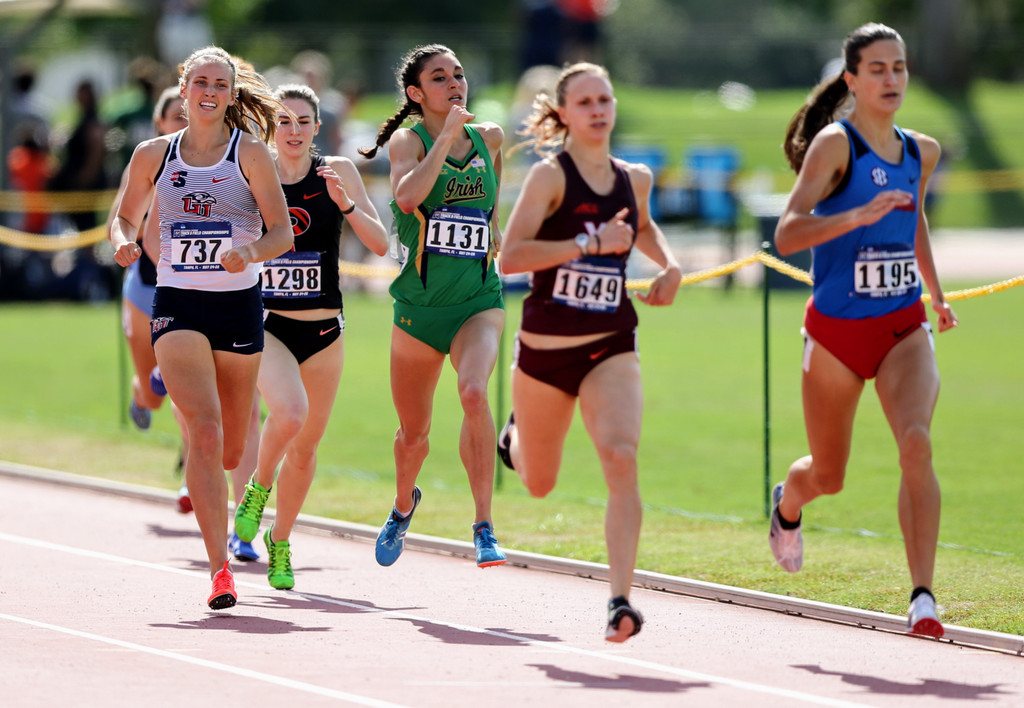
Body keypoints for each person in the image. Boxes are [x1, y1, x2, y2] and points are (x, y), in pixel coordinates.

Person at [768, 23, 958, 638]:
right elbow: (789, 234)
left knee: (917, 443)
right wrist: (855, 214)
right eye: (877, 69)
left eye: (899, 67)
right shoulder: (834, 145)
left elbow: (916, 221)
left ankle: (923, 597)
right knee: (829, 474)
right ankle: (788, 503)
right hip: (834, 335)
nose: (891, 79)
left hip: (903, 325)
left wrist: (935, 291)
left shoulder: (920, 150)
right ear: (851, 79)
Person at [497, 62, 682, 642]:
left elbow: (644, 227)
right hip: (546, 355)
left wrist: (670, 265)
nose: (599, 110)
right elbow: (510, 256)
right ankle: (515, 438)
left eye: (606, 99)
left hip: (609, 344)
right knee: (539, 483)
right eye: (586, 102)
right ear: (564, 113)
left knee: (621, 457)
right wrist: (587, 242)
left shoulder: (636, 177)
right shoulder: (550, 178)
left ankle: (620, 602)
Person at [110, 46, 293, 610]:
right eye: (201, 82)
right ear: (184, 89)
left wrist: (249, 251)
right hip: (178, 303)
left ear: (232, 95)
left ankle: (241, 499)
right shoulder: (153, 154)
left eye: (221, 84)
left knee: (235, 446)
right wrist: (123, 241)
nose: (210, 92)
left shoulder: (251, 155)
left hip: (237, 306)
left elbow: (282, 234)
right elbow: (123, 215)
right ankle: (220, 570)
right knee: (205, 432)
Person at [231, 83, 388, 590]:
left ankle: (281, 541)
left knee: (305, 448)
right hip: (268, 322)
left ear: (318, 127)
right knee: (290, 413)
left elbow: (381, 244)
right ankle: (257, 488)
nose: (294, 131)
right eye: (284, 122)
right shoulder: (255, 171)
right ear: (270, 128)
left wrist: (346, 205)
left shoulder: (337, 171)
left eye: (303, 122)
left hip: (324, 329)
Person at [358, 44, 508, 570]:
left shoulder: (490, 138)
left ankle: (484, 525)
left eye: (459, 74)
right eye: (440, 78)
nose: (455, 84)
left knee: (473, 391)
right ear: (417, 94)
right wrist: (445, 137)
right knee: (414, 436)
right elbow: (406, 199)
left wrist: (496, 243)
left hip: (478, 300)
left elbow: (489, 210)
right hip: (419, 310)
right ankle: (403, 505)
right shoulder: (408, 140)